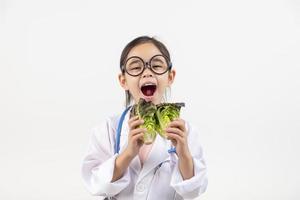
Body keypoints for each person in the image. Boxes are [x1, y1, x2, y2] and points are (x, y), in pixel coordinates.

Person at [81, 36, 208, 200]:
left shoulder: (186, 132)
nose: (147, 72)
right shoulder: (107, 129)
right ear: (123, 80)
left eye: (156, 66)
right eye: (135, 67)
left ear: (170, 77)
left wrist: (183, 153)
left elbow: (193, 191)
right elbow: (95, 184)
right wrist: (127, 153)